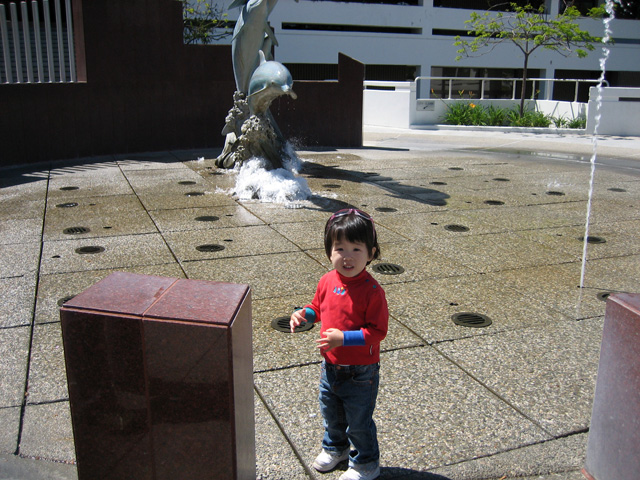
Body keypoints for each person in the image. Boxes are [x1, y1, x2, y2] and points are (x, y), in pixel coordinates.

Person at [290, 208, 389, 480]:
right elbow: (316, 308)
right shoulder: (327, 281)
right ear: (329, 251)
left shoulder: (372, 292)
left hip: (361, 371)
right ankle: (336, 448)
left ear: (371, 253)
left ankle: (366, 463)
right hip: (330, 365)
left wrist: (343, 338)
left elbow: (377, 332)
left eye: (357, 249)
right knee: (331, 413)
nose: (348, 256)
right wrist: (303, 315)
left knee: (358, 421)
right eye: (340, 248)